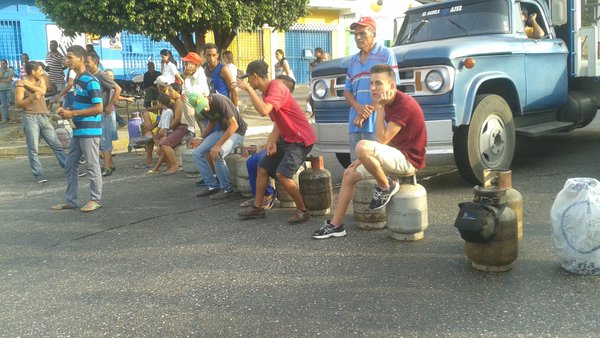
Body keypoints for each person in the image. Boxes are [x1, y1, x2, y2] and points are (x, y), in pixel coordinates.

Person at [312, 64, 427, 239]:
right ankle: (336, 225)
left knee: (362, 146)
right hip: (395, 155)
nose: (373, 88)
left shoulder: (403, 104)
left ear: (392, 86)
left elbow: (381, 140)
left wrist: (378, 108)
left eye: (379, 83)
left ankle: (385, 186)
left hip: (408, 160)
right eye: (371, 83)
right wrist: (360, 160)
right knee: (349, 173)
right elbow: (383, 145)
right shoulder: (388, 102)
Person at [236, 60, 316, 223]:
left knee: (283, 174)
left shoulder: (276, 88)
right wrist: (272, 142)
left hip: (301, 139)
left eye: (249, 79)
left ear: (255, 76)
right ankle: (258, 207)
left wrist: (249, 90)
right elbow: (278, 122)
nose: (248, 82)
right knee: (263, 167)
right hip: (287, 138)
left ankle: (303, 210)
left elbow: (264, 111)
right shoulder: (267, 92)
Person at [53, 45, 104, 212]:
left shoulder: (91, 81)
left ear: (81, 59)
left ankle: (95, 199)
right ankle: (71, 200)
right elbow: (80, 103)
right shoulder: (77, 80)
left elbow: (98, 108)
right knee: (70, 164)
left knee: (92, 164)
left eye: (70, 57)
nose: (66, 60)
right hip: (78, 130)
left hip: (90, 130)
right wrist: (66, 111)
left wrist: (73, 112)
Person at [344, 16, 398, 161]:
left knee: (380, 165)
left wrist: (365, 113)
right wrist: (358, 109)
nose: (358, 38)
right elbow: (347, 91)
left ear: (373, 34)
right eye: (355, 34)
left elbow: (391, 88)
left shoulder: (386, 54)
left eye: (362, 34)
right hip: (355, 124)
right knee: (356, 167)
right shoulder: (352, 61)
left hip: (379, 123)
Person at [239, 74, 296, 209]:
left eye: (281, 87)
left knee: (260, 162)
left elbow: (282, 129)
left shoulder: (289, 106)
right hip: (278, 145)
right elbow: (275, 129)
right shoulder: (276, 103)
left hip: (290, 147)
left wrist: (272, 144)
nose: (276, 89)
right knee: (252, 161)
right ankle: (259, 197)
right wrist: (269, 143)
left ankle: (269, 195)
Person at [14, 61, 66, 183]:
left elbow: (42, 91)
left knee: (57, 145)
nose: (42, 72)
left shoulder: (39, 79)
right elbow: (17, 104)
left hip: (44, 116)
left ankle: (70, 168)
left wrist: (26, 83)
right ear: (33, 72)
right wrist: (31, 97)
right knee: (33, 148)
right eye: (40, 70)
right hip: (30, 118)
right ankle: (38, 174)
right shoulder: (19, 86)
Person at [194, 92, 247, 200]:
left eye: (204, 105)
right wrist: (200, 138)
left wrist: (218, 145)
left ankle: (227, 189)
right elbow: (212, 123)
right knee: (197, 152)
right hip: (222, 131)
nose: (205, 109)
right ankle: (212, 186)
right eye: (201, 107)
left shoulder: (219, 100)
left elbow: (234, 125)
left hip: (237, 132)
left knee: (217, 153)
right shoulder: (202, 108)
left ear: (205, 96)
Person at [85, 52, 122, 177]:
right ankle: (110, 164)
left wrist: (110, 106)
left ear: (95, 63)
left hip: (103, 112)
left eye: (88, 62)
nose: (86, 64)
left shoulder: (101, 75)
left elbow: (118, 89)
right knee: (102, 140)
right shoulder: (91, 76)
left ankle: (106, 167)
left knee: (105, 140)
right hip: (96, 112)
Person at [45, 40, 65, 108]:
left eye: (53, 45)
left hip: (59, 78)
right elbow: (48, 64)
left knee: (60, 93)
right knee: (51, 93)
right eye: (50, 45)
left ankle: (60, 108)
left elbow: (65, 65)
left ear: (56, 46)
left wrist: (59, 70)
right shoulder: (48, 54)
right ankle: (50, 107)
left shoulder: (59, 55)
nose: (51, 46)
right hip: (51, 78)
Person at [0, 59, 14, 123]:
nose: (2, 65)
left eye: (3, 63)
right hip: (1, 90)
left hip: (9, 89)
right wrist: (2, 73)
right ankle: (4, 118)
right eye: (1, 64)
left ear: (6, 64)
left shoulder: (10, 70)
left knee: (10, 104)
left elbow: (9, 80)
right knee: (3, 105)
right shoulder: (0, 70)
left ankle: (12, 119)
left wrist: (1, 79)